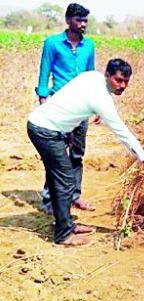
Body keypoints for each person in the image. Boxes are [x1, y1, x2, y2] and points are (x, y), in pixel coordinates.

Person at [27, 59, 144, 247]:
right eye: (119, 80)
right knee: (65, 180)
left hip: (47, 127)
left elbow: (71, 99)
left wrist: (68, 128)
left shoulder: (92, 77)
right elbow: (123, 133)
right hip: (45, 131)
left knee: (61, 179)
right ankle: (63, 235)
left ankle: (66, 224)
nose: (123, 86)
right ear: (107, 75)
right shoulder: (101, 100)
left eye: (126, 81)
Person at [36, 3, 95, 213]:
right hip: (59, 106)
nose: (83, 24)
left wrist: (95, 105)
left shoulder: (89, 46)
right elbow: (44, 73)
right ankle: (49, 199)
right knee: (57, 153)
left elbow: (91, 76)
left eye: (85, 20)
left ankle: (74, 196)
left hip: (82, 107)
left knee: (77, 154)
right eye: (79, 20)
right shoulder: (52, 43)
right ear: (68, 20)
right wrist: (43, 100)